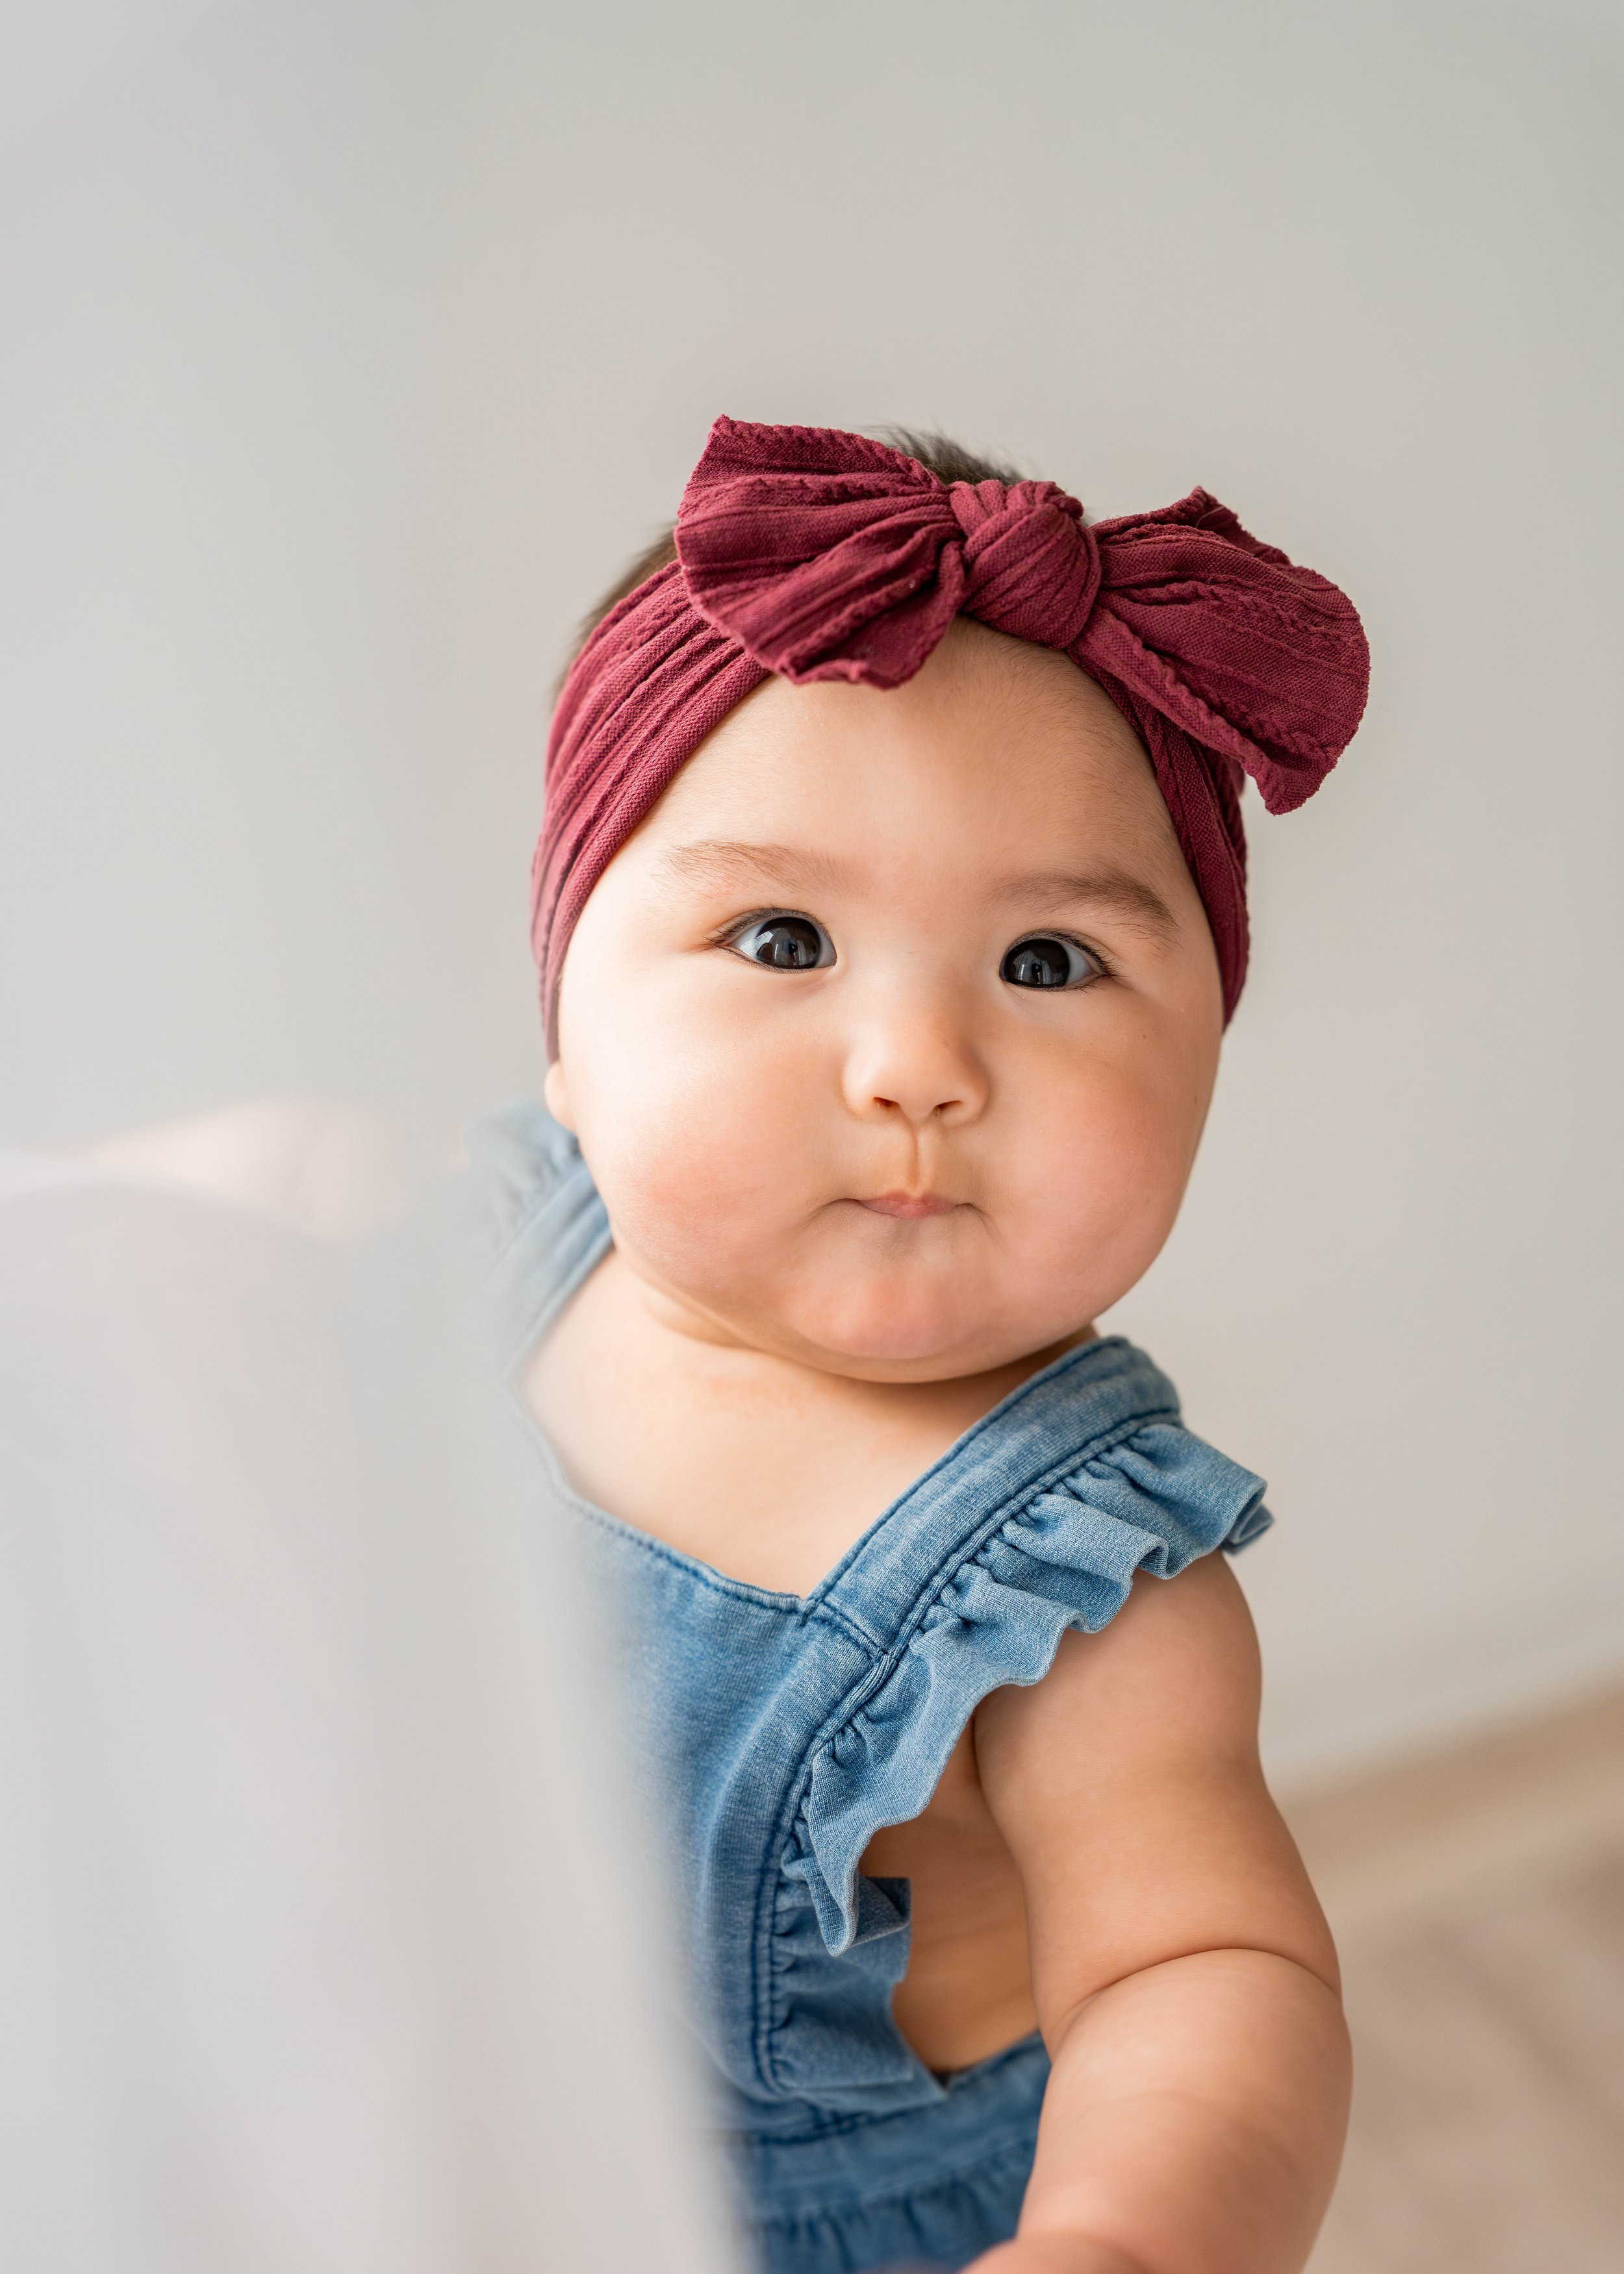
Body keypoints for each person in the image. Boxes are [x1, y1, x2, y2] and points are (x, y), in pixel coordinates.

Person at [466, 418, 1371, 2273]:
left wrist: (1120, 2238)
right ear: (564, 1024)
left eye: (1046, 962)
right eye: (782, 933)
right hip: (487, 2125)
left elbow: (1201, 1967)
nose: (913, 1066)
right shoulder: (498, 1244)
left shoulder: (1075, 1588)